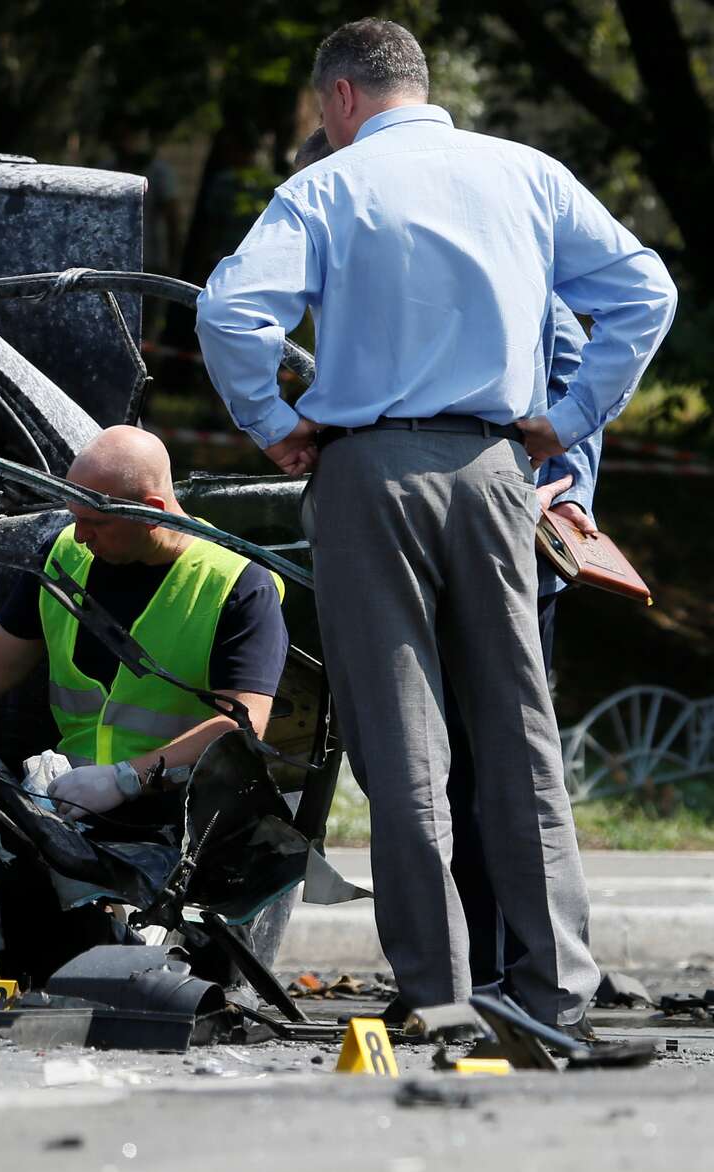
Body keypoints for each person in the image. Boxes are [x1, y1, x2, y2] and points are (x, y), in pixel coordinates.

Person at [195, 19, 674, 1027]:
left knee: (403, 744)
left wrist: (274, 425)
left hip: (368, 471)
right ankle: (553, 991)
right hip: (499, 465)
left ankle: (438, 992)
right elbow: (643, 288)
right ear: (418, 83)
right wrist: (569, 416)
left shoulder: (324, 190)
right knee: (519, 733)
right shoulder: (526, 175)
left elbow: (230, 311)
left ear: (338, 101)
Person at [293, 126, 605, 1008]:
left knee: (434, 753)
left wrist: (567, 480)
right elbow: (609, 324)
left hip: (473, 501)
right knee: (491, 750)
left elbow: (570, 348)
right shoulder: (501, 204)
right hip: (494, 494)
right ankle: (528, 987)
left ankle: (464, 984)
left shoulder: (346, 208)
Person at [0, 426, 289, 817]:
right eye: (74, 518)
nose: (80, 536)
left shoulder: (240, 584)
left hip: (179, 822)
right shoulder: (63, 557)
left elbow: (240, 727)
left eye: (96, 523)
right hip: (68, 807)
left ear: (151, 513)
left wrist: (126, 779)